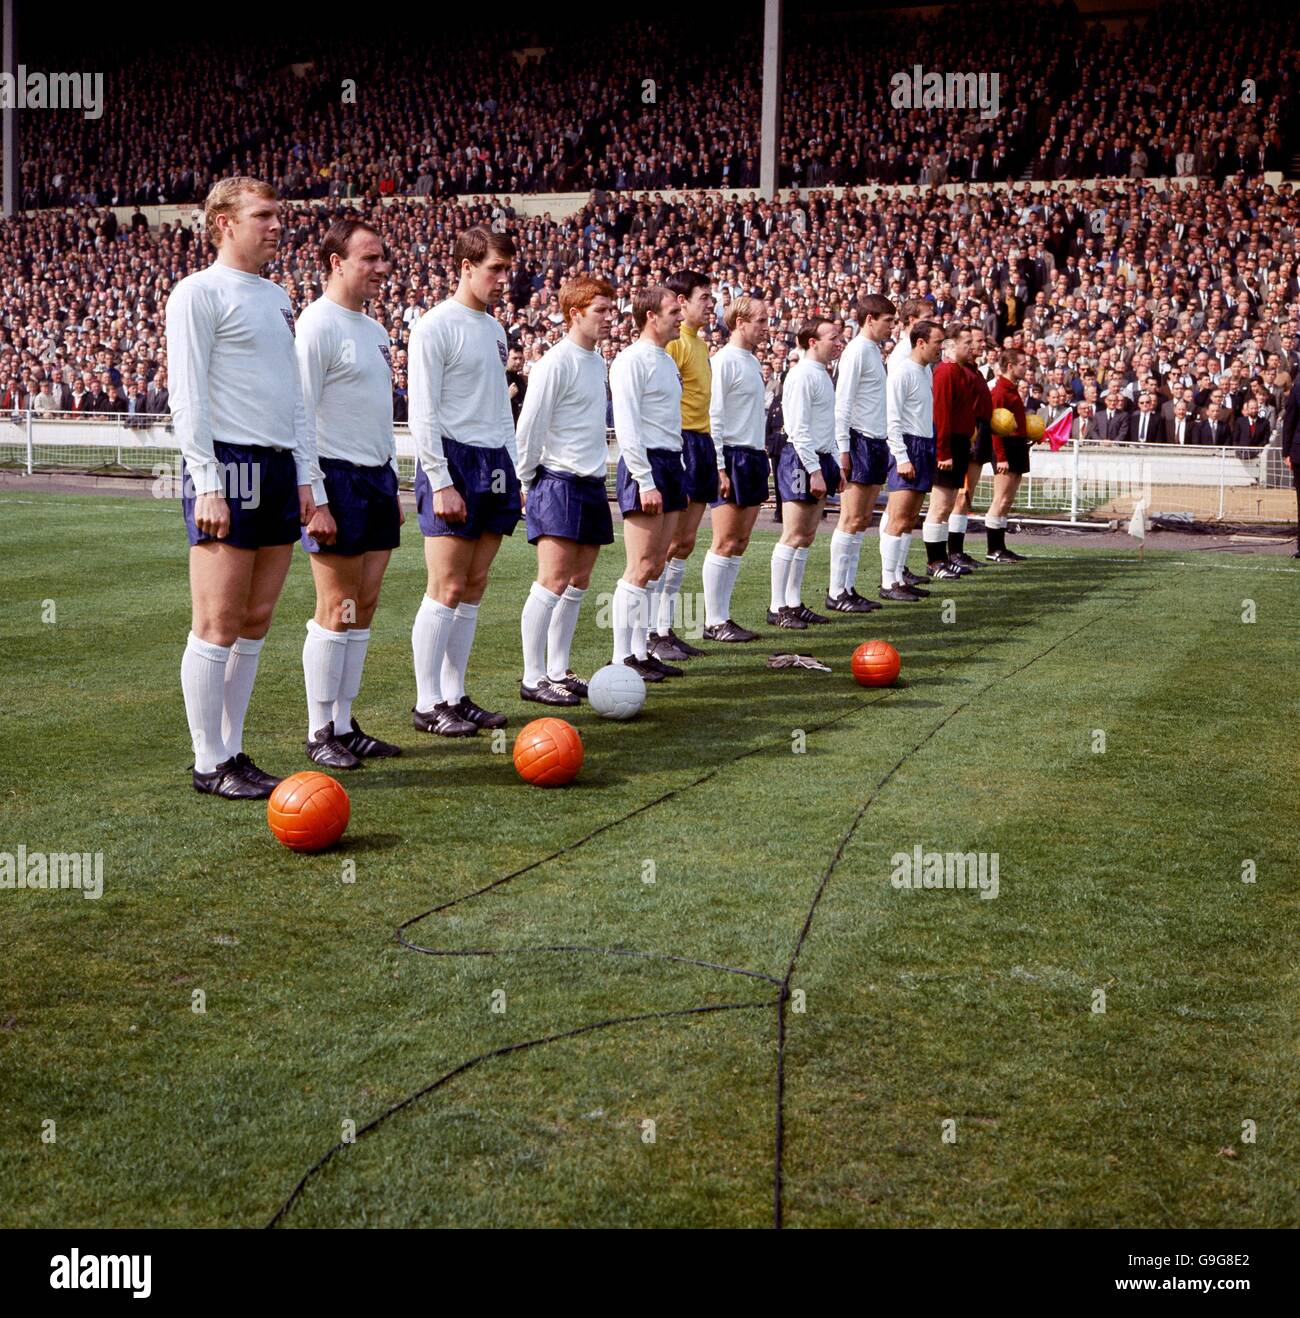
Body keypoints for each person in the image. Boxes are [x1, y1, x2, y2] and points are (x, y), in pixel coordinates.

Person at [168, 176, 328, 799]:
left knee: (256, 618)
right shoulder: (197, 293)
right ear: (223, 223)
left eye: (277, 214)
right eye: (262, 215)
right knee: (217, 619)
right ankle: (209, 762)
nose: (276, 225)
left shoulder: (277, 297)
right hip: (227, 465)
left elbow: (294, 395)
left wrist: (307, 475)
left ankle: (233, 751)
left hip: (277, 466)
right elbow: (188, 395)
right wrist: (207, 481)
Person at [296, 217, 404, 769]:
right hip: (335, 479)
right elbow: (299, 413)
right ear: (336, 262)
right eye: (369, 258)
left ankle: (343, 721)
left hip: (376, 476)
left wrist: (391, 477)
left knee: (363, 606)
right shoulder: (316, 325)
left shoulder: (375, 329)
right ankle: (319, 730)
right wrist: (314, 494)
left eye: (382, 257)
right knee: (336, 608)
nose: (381, 267)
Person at [409, 225, 521, 737]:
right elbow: (423, 411)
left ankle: (455, 695)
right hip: (453, 461)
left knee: (474, 586)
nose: (503, 278)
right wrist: (439, 478)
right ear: (466, 267)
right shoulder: (435, 326)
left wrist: (515, 470)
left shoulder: (496, 330)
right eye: (495, 269)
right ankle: (427, 701)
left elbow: (501, 410)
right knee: (447, 584)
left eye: (507, 269)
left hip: (494, 460)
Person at [514, 275, 616, 705]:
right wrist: (525, 479)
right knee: (551, 580)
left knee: (579, 581)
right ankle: (533, 675)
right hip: (558, 481)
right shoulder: (555, 362)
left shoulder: (597, 362)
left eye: (611, 310)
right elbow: (530, 425)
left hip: (591, 483)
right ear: (575, 313)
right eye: (601, 311)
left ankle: (558, 667)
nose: (610, 319)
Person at [609, 285, 686, 682]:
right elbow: (627, 425)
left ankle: (640, 649)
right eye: (673, 310)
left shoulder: (666, 359)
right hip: (648, 466)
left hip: (671, 463)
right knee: (639, 566)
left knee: (656, 565)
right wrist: (644, 478)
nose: (680, 316)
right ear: (650, 316)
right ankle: (623, 656)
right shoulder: (631, 360)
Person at [651, 270, 718, 662]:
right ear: (682, 301)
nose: (710, 304)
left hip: (702, 441)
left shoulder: (700, 345)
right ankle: (648, 632)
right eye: (704, 298)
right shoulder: (674, 346)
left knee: (685, 543)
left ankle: (664, 628)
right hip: (681, 443)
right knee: (664, 545)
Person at [701, 296, 770, 641]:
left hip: (754, 455)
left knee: (740, 541)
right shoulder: (724, 361)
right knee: (725, 540)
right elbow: (713, 414)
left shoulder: (752, 361)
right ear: (740, 322)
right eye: (759, 320)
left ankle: (723, 616)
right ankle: (713, 620)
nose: (765, 327)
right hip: (732, 455)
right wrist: (719, 466)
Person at [768, 317, 843, 629]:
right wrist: (814, 470)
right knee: (793, 534)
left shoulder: (822, 374)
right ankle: (777, 606)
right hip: (801, 459)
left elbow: (827, 425)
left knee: (807, 535)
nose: (839, 343)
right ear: (813, 341)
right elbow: (798, 429)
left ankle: (794, 601)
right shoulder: (801, 375)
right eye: (833, 338)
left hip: (820, 457)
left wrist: (835, 463)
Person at [828, 293, 894, 613]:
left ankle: (849, 588)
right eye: (887, 321)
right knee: (851, 518)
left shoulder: (872, 351)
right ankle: (837, 590)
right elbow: (842, 403)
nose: (891, 328)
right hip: (859, 440)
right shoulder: (855, 351)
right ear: (870, 319)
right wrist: (843, 448)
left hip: (875, 440)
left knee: (863, 519)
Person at [881, 320, 945, 600]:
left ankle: (899, 578)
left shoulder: (925, 371)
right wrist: (902, 456)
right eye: (937, 343)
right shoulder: (902, 372)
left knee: (909, 520)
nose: (940, 348)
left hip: (924, 444)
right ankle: (888, 583)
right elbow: (891, 419)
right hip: (908, 445)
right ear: (921, 343)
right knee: (897, 518)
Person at [923, 323, 978, 581]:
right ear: (951, 345)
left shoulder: (960, 372)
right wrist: (943, 451)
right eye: (966, 342)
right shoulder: (945, 373)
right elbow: (941, 415)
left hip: (958, 443)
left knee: (947, 506)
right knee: (940, 506)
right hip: (948, 446)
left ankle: (943, 558)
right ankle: (934, 561)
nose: (971, 346)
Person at [984, 348, 1033, 562]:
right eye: (1022, 364)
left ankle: (1000, 546)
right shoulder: (999, 392)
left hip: (1018, 446)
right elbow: (995, 427)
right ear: (1010, 366)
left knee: (1008, 500)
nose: (1026, 367)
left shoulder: (1011, 390)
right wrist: (1001, 456)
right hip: (1006, 448)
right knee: (1001, 499)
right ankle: (993, 548)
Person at [951, 325, 994, 568]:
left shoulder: (975, 371)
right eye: (974, 341)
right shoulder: (962, 371)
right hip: (970, 433)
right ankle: (953, 551)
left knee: (968, 495)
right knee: (961, 494)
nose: (979, 345)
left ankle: (958, 549)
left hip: (980, 432)